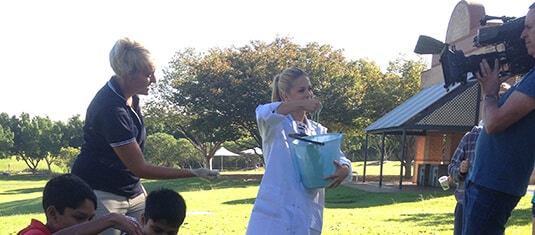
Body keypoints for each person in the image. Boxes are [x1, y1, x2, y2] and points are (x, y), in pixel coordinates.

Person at [71, 37, 219, 235]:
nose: (154, 80)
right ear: (127, 74)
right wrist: (194, 172)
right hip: (100, 190)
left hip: (131, 189)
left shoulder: (131, 99)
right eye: (148, 75)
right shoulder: (110, 109)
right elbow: (140, 168)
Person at [246, 67, 352, 234]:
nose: (308, 94)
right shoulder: (274, 126)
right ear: (285, 96)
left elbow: (339, 157)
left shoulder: (318, 131)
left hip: (307, 214)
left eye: (309, 88)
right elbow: (263, 112)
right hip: (274, 217)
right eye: (301, 90)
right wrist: (302, 104)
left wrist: (345, 170)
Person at [463, 3, 535, 234]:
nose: (523, 34)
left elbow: (493, 123)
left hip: (494, 185)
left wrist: (490, 92)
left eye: (530, 28)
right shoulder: (530, 76)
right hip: (485, 181)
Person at [17, 173, 142, 235]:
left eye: (91, 219)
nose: (89, 225)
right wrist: (110, 220)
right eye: (79, 218)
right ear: (53, 214)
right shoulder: (34, 233)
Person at [447, 123, 482, 235]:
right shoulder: (469, 138)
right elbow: (452, 168)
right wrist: (461, 171)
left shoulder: (502, 138)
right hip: (464, 203)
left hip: (490, 205)